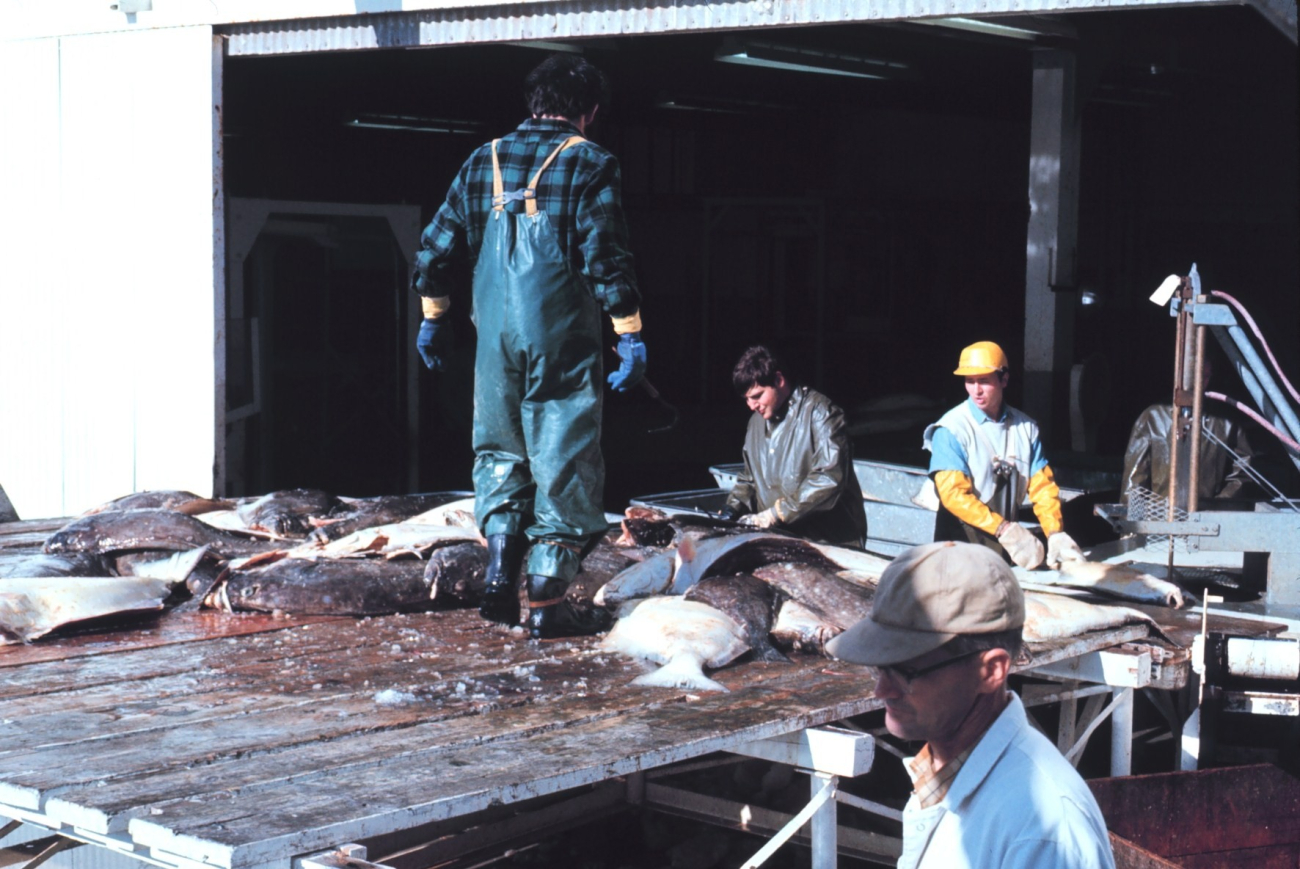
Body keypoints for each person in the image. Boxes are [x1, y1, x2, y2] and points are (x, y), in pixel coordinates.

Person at [411, 54, 646, 639]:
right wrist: (629, 333)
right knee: (562, 457)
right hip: (560, 340)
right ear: (588, 112)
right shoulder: (590, 162)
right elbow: (605, 259)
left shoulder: (481, 161)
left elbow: (434, 249)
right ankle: (545, 602)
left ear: (533, 102)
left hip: (494, 340)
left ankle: (499, 568)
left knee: (498, 451)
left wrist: (434, 316)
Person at [825, 541, 1117, 869]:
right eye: (879, 666)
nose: (882, 690)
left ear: (991, 671)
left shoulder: (1043, 834)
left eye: (906, 671)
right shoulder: (941, 769)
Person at [923, 341, 1083, 571]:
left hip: (1004, 550)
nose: (976, 390)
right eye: (970, 381)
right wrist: (1003, 529)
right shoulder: (951, 429)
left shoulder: (1025, 428)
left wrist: (1055, 532)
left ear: (1004, 379)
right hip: (958, 549)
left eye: (984, 381)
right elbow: (953, 495)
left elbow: (1042, 487)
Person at [721, 346, 867, 549]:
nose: (751, 405)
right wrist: (732, 508)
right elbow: (749, 478)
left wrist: (777, 514)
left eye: (757, 396)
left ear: (779, 381)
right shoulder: (756, 424)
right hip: (779, 541)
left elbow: (829, 478)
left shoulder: (822, 414)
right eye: (746, 399)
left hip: (828, 543)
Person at [1120, 359, 1255, 508]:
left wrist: (1218, 505)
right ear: (1180, 375)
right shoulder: (1153, 417)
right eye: (1194, 375)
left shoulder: (1226, 423)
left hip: (1207, 522)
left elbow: (1242, 472)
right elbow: (1135, 480)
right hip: (1160, 520)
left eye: (1206, 376)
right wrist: (1133, 527)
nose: (1200, 382)